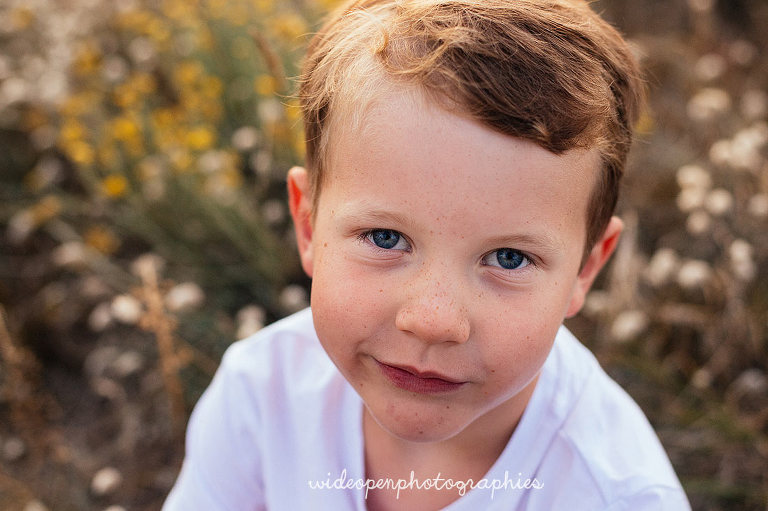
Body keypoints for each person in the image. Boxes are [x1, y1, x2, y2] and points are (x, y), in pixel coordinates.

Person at [163, 0, 691, 509]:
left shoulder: (613, 495)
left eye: (508, 258)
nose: (433, 320)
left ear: (586, 269)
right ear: (307, 225)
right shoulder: (261, 395)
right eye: (385, 238)